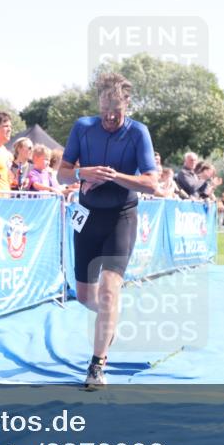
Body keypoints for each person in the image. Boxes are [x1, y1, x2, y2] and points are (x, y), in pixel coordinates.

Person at [57, 72, 158, 389]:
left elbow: (152, 184)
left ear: (127, 104)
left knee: (110, 289)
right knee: (86, 296)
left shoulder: (138, 133)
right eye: (105, 110)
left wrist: (115, 176)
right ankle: (110, 315)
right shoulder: (83, 128)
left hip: (120, 217)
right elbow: (61, 175)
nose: (110, 117)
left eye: (117, 111)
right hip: (87, 216)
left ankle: (97, 365)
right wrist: (82, 172)